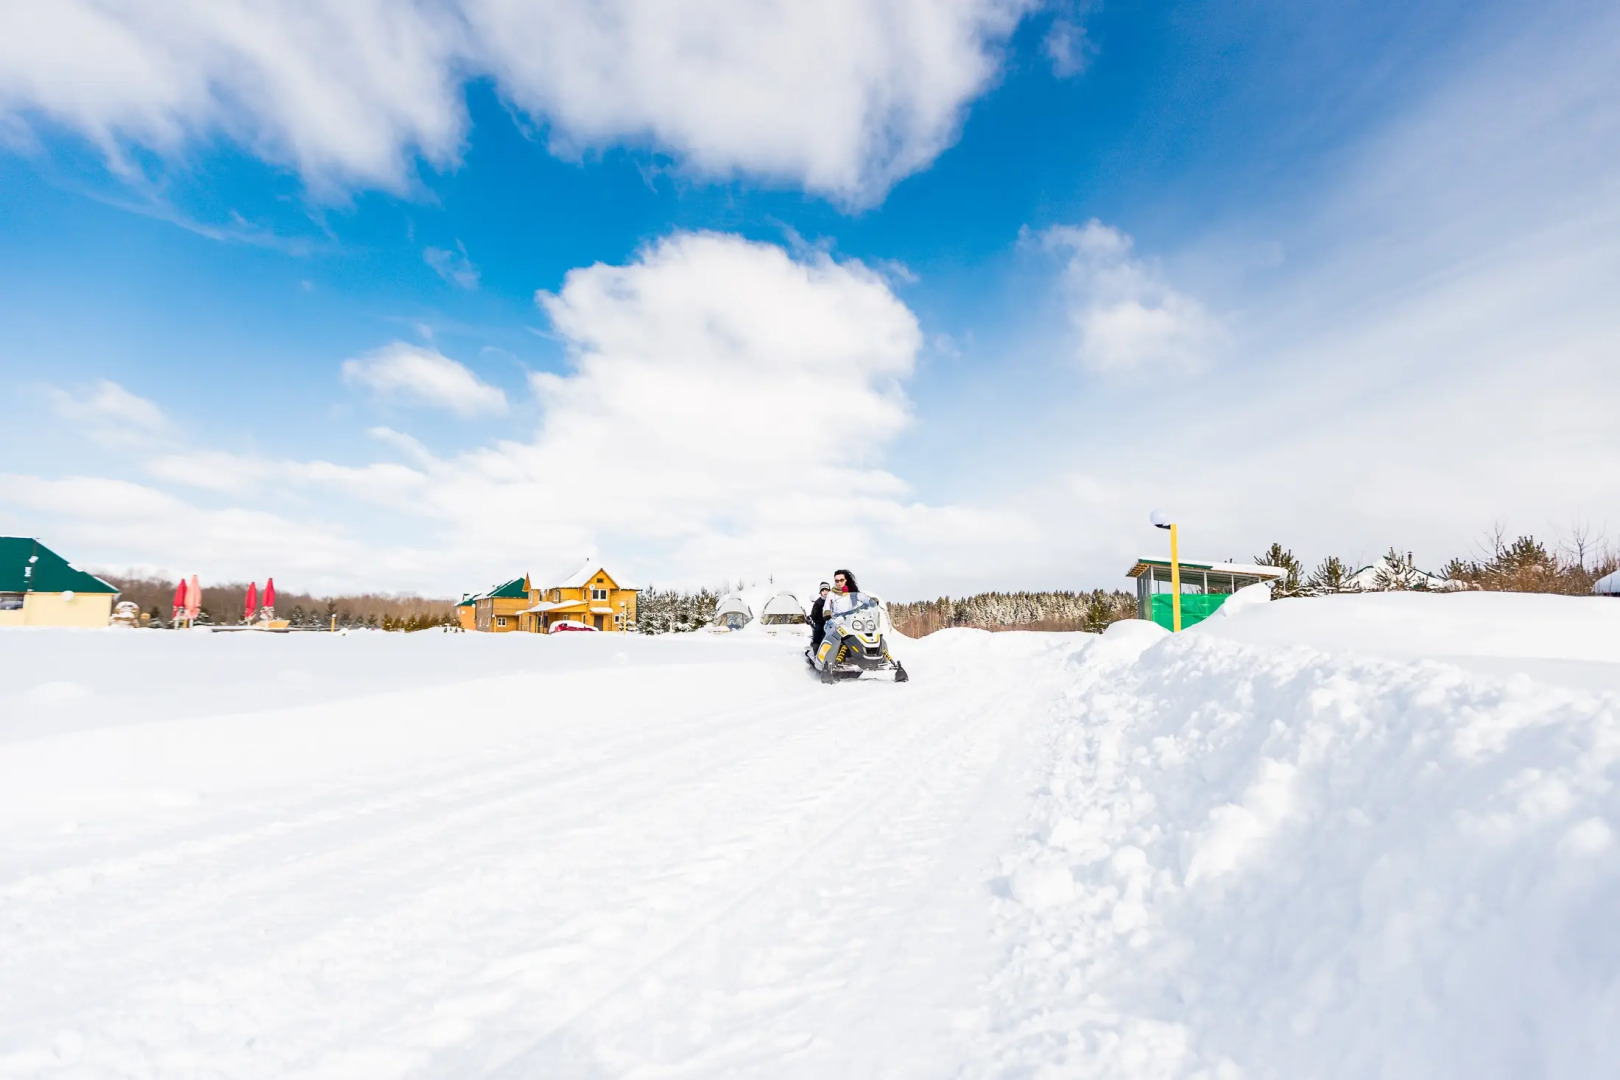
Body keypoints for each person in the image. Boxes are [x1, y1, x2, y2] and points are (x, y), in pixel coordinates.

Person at [808, 581, 832, 654]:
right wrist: (810, 617)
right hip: (821, 622)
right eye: (823, 590)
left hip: (832, 622)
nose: (825, 592)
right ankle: (816, 648)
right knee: (818, 630)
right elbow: (813, 613)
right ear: (820, 591)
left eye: (826, 590)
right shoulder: (818, 602)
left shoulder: (833, 601)